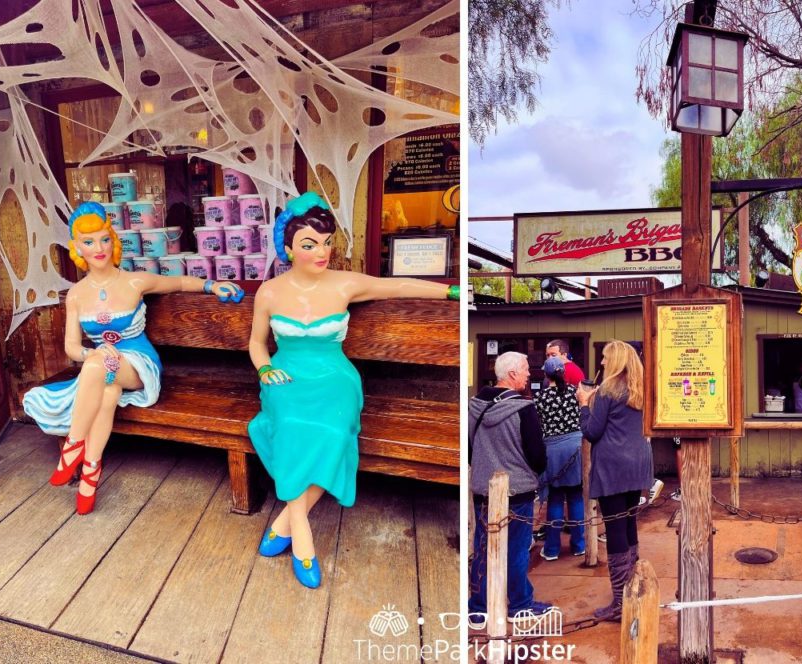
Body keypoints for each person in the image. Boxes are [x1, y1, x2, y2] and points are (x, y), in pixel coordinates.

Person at [247, 192, 459, 589]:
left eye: (326, 243)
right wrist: (264, 370)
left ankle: (286, 523)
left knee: (333, 432)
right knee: (290, 425)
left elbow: (395, 288)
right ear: (289, 249)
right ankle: (302, 535)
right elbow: (257, 343)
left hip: (335, 378)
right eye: (309, 245)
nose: (321, 252)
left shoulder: (345, 284)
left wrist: (448, 292)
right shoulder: (270, 292)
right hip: (285, 376)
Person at [23, 202, 244, 515]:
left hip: (139, 364)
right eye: (89, 242)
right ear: (78, 249)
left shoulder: (134, 281)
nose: (98, 248)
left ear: (113, 241)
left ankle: (74, 444)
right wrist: (92, 352)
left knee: (98, 367)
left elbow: (179, 282)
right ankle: (90, 472)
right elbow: (72, 347)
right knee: (107, 390)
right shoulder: (76, 295)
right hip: (105, 370)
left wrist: (211, 285)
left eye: (104, 239)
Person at [468, 351, 553, 622]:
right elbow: (537, 455)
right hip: (518, 490)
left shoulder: (473, 406)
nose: (530, 374)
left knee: (482, 548)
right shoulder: (524, 409)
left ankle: (479, 608)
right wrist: (534, 471)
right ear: (513, 374)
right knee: (516, 549)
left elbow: (470, 447)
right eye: (526, 369)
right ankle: (519, 605)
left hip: (483, 488)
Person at [577, 340, 653, 622]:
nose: (602, 363)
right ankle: (633, 591)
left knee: (615, 530)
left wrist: (584, 404)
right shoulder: (642, 388)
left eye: (606, 358)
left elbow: (592, 432)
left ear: (617, 360)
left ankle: (621, 603)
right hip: (638, 464)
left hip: (612, 467)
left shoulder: (608, 390)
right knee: (629, 523)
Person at [533, 356, 585, 561]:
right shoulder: (575, 393)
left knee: (555, 498)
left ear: (546, 375)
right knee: (575, 496)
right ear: (563, 373)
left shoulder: (540, 398)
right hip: (575, 447)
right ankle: (579, 545)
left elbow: (537, 426)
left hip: (552, 449)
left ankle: (552, 548)